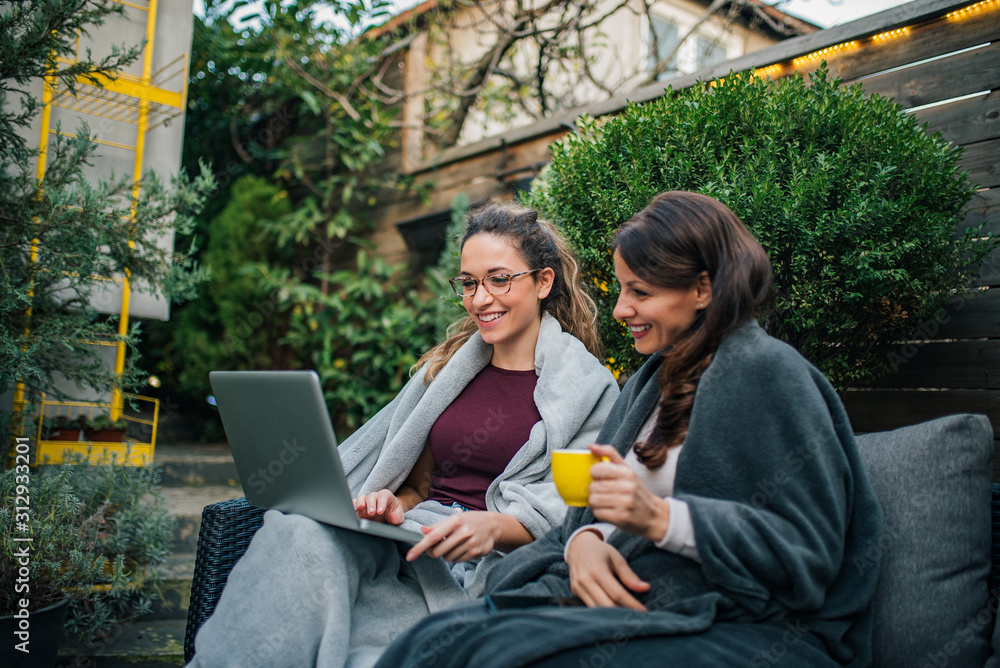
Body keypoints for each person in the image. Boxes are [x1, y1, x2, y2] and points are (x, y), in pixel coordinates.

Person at [374, 190, 884, 668]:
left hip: (753, 627)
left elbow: (808, 552)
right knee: (429, 641)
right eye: (621, 290)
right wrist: (585, 542)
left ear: (703, 288)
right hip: (634, 601)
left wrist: (660, 518)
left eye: (640, 292)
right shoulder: (652, 382)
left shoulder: (767, 374)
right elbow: (583, 520)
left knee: (496, 653)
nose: (620, 310)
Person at [187, 200, 620, 667]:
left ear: (543, 281)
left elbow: (578, 510)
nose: (479, 299)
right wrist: (393, 504)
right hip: (412, 543)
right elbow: (416, 486)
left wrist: (491, 526)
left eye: (499, 279)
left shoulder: (584, 387)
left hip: (493, 568)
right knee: (299, 532)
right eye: (469, 283)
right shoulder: (447, 372)